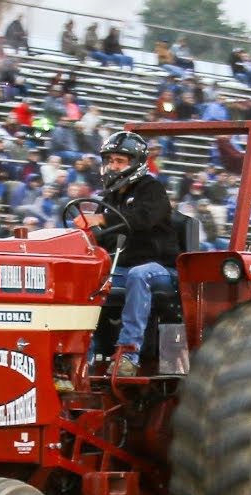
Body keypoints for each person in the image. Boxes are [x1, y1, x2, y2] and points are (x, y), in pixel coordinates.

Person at [70, 131, 174, 378]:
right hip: (121, 267)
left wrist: (102, 219)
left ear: (136, 163)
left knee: (139, 275)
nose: (113, 166)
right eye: (110, 160)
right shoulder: (110, 196)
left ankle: (128, 355)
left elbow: (143, 219)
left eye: (120, 161)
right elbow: (103, 235)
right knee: (84, 279)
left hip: (159, 267)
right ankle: (80, 357)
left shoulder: (152, 189)